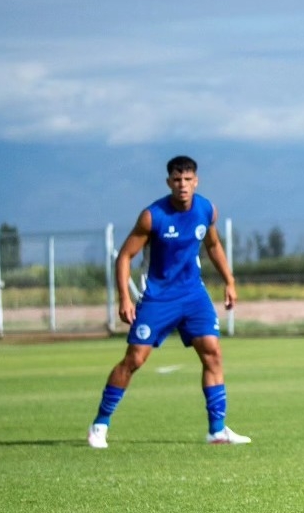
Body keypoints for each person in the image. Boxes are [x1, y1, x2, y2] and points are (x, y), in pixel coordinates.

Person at [86, 155, 248, 448]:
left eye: (187, 180)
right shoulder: (153, 216)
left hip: (194, 295)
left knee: (212, 353)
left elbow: (212, 245)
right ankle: (99, 425)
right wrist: (124, 298)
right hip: (159, 297)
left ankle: (217, 430)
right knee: (135, 359)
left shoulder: (206, 209)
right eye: (177, 180)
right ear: (168, 182)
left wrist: (230, 281)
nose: (182, 185)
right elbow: (124, 256)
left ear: (196, 181)